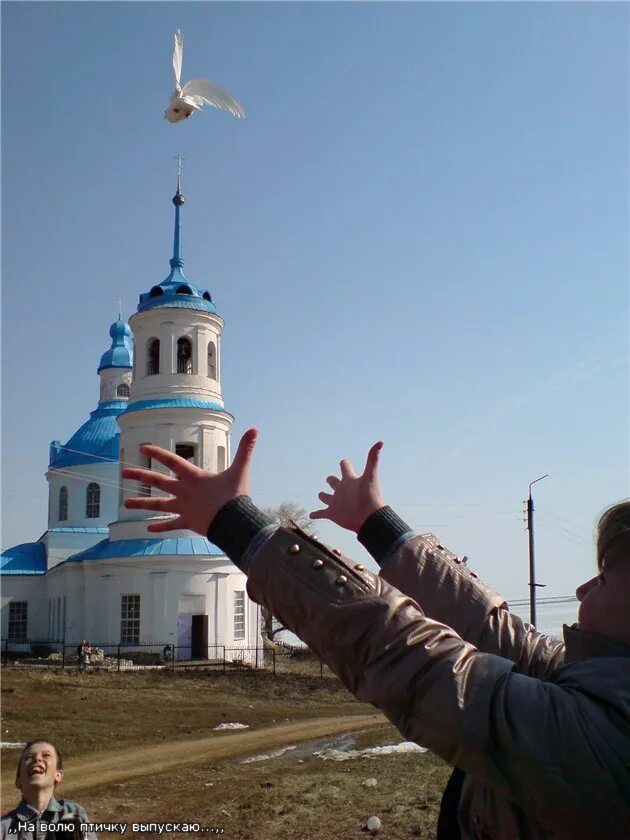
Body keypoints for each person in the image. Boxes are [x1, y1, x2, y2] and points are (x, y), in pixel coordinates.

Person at [122, 430, 630, 839]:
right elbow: (495, 630)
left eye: (603, 576)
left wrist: (238, 526)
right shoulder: (598, 683)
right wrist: (378, 525)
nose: (582, 588)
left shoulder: (608, 742)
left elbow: (410, 655)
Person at [1, 740, 96, 839]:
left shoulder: (74, 813)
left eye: (46, 755)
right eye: (29, 757)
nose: (37, 759)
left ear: (58, 775)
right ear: (18, 780)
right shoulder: (3, 829)